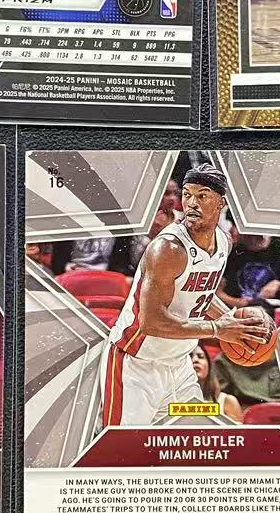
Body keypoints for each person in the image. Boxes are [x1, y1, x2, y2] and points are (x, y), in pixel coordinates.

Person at [99, 166, 268, 426]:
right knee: (124, 448)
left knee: (192, 437)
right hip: (136, 365)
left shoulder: (223, 243)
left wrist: (235, 321)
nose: (192, 203)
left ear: (222, 202)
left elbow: (201, 293)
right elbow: (151, 322)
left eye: (202, 195)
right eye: (187, 194)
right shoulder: (168, 249)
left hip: (179, 366)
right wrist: (217, 329)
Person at [220, 234, 280, 310]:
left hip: (275, 314)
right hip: (239, 312)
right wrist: (238, 303)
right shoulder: (233, 252)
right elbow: (217, 293)